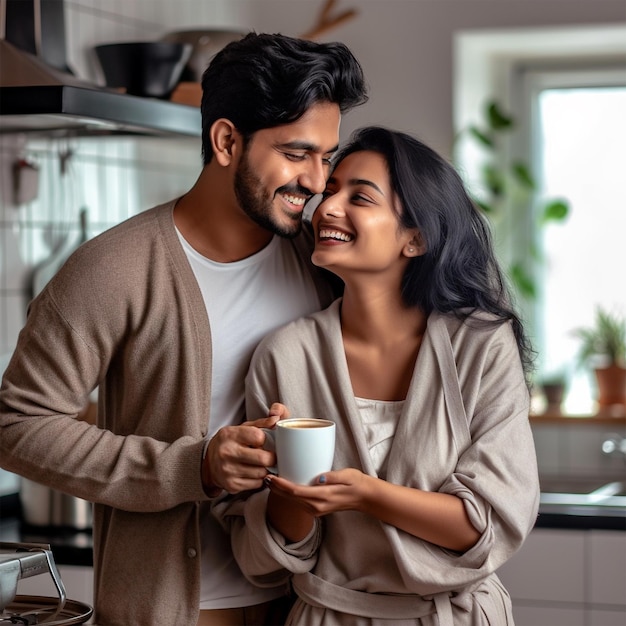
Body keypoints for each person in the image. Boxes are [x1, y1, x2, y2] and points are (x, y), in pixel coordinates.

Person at [0, 33, 367, 625]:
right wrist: (194, 467)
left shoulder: (322, 260)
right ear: (226, 141)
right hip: (176, 610)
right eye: (297, 153)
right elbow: (16, 424)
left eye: (326, 157)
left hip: (310, 606)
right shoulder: (115, 268)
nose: (318, 181)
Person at [213, 126, 541, 625]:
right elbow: (267, 551)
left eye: (359, 197)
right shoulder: (286, 354)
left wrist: (368, 495)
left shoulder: (479, 344)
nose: (326, 208)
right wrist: (290, 488)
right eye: (331, 190)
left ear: (416, 238)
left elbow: (486, 524)